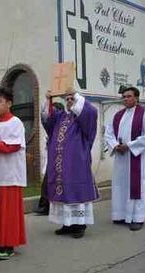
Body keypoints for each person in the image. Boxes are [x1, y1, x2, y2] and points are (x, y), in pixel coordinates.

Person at [42, 89, 98, 238]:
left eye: (71, 99)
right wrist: (49, 100)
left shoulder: (84, 119)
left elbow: (91, 111)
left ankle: (79, 225)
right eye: (66, 99)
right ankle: (67, 224)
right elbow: (47, 119)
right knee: (63, 193)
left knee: (75, 192)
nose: (69, 101)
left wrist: (76, 95)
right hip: (60, 165)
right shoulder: (60, 117)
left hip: (76, 164)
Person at [105, 87, 145, 231]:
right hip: (121, 157)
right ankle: (121, 214)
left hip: (136, 156)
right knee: (120, 185)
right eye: (124, 96)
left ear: (136, 98)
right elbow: (109, 133)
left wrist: (129, 146)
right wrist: (115, 145)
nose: (126, 99)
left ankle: (137, 217)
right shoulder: (117, 115)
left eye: (129, 96)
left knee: (137, 186)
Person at [0, 87, 27, 260]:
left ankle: (8, 244)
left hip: (10, 175)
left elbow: (12, 146)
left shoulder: (16, 123)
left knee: (7, 213)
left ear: (9, 103)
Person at [36, 102, 64, 216]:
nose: (52, 114)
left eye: (55, 111)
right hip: (53, 159)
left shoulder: (64, 125)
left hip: (64, 159)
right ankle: (44, 206)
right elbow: (44, 118)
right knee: (47, 182)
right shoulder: (52, 126)